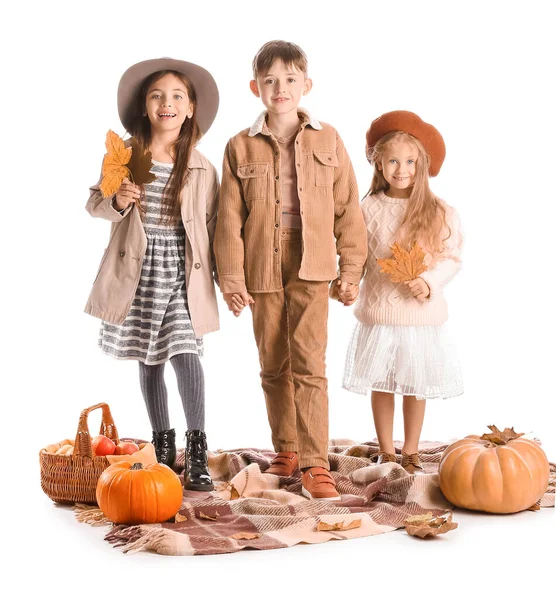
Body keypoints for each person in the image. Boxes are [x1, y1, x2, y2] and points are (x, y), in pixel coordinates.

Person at [214, 41, 367, 500]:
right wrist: (233, 281)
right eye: (270, 81)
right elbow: (227, 220)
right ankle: (287, 448)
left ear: (306, 84)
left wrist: (351, 270)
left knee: (309, 364)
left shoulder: (329, 139)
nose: (280, 89)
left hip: (313, 265)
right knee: (273, 365)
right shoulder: (239, 145)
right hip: (262, 266)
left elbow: (348, 211)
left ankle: (316, 462)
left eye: (290, 79)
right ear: (255, 87)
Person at [84, 58, 220, 491]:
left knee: (185, 350)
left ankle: (196, 450)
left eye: (178, 96)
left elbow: (213, 225)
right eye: (157, 96)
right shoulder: (126, 154)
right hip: (139, 268)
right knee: (150, 355)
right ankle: (163, 448)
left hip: (183, 269)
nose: (167, 103)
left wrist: (228, 281)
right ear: (145, 107)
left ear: (191, 108)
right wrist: (119, 199)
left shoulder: (201, 165)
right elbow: (95, 203)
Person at [343, 110, 464, 474]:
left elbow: (451, 257)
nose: (402, 169)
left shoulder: (439, 211)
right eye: (393, 160)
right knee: (382, 383)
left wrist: (428, 281)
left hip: (418, 317)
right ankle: (387, 450)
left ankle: (410, 450)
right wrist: (348, 282)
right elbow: (356, 252)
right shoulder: (367, 208)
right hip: (381, 312)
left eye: (410, 161)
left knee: (414, 384)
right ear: (378, 163)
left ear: (422, 164)